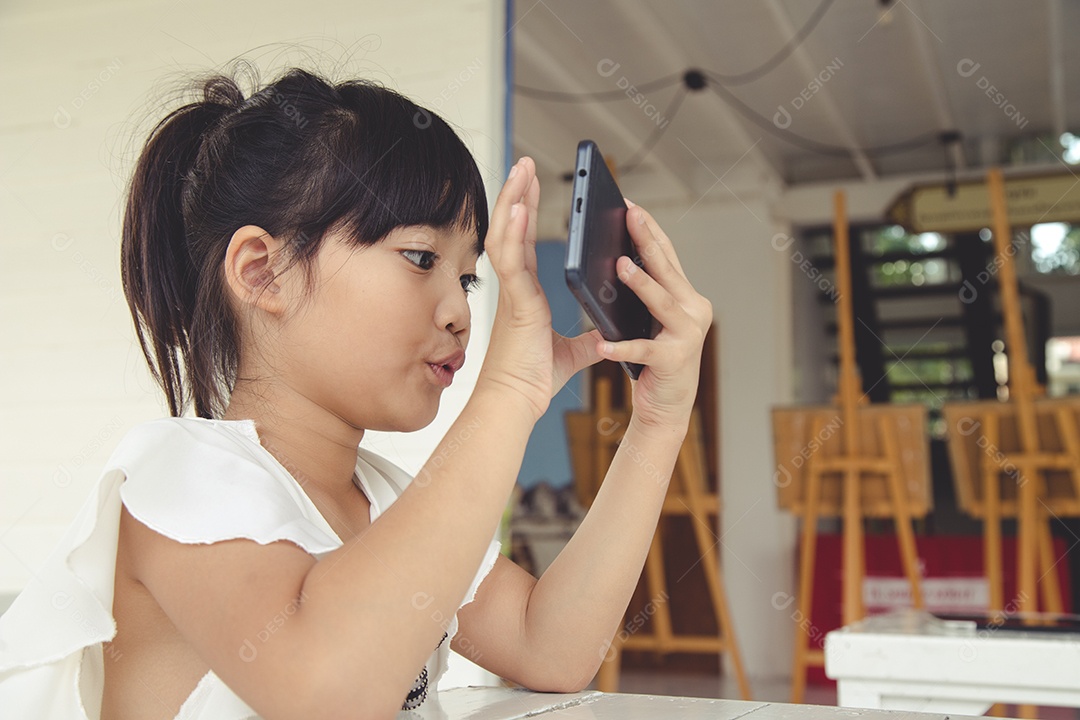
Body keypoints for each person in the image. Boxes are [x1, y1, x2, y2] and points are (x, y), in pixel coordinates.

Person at [0, 65, 712, 720]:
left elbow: (549, 647)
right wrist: (510, 390)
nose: (461, 309)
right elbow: (330, 689)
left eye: (466, 276)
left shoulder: (389, 499)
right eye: (420, 257)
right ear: (262, 272)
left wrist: (660, 417)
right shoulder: (177, 473)